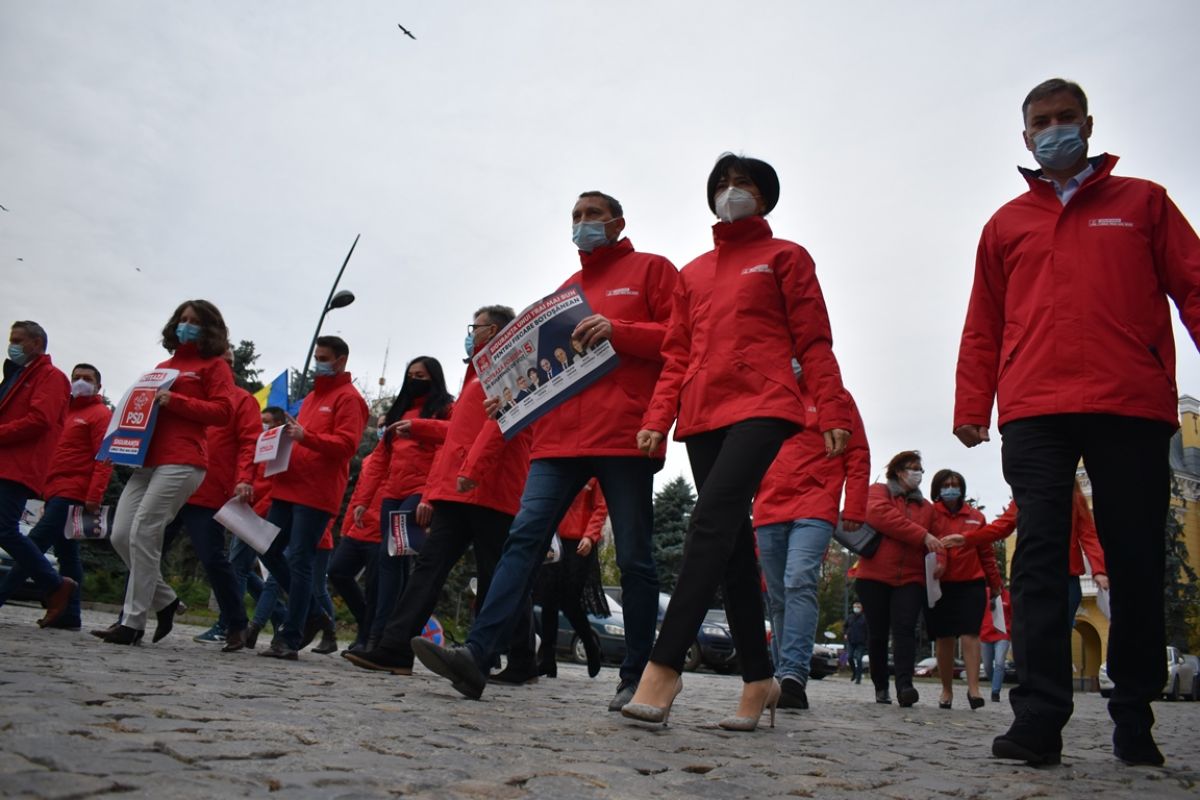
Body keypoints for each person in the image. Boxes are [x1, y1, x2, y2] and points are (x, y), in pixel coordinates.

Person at [952, 77, 1198, 766]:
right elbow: (984, 320)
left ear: (1087, 125)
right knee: (1037, 559)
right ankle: (1037, 718)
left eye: (1066, 117)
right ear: (1025, 134)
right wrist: (972, 404)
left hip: (1130, 402)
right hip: (1035, 407)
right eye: (1042, 121)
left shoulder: (1144, 203)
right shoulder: (1006, 224)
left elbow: (1194, 285)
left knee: (1135, 555)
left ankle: (1134, 715)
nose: (1054, 129)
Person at [411, 190, 677, 710]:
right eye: (576, 216)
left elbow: (680, 340)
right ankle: (477, 658)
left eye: (593, 215)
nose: (582, 223)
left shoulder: (652, 270)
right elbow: (543, 371)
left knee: (635, 557)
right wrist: (511, 400)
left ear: (618, 223)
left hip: (623, 435)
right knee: (522, 541)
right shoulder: (565, 292)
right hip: (556, 441)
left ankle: (635, 676)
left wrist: (619, 331)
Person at [625, 154, 852, 731]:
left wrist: (830, 407)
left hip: (766, 403)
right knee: (730, 546)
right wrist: (658, 415)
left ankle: (664, 665)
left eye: (742, 183)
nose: (731, 192)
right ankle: (759, 680)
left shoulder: (786, 257)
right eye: (722, 184)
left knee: (709, 521)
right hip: (703, 410)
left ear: (765, 196)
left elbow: (814, 339)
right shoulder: (693, 273)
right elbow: (677, 352)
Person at [344, 305, 535, 677]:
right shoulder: (476, 377)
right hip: (457, 489)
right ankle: (394, 649)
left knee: (497, 573)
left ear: (494, 331)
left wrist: (471, 470)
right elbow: (457, 436)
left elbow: (500, 427)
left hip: (491, 488)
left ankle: (518, 657)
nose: (471, 334)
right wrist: (422, 436)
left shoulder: (512, 371)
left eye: (476, 327)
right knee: (430, 567)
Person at [103, 301, 236, 645]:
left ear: (209, 328)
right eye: (182, 319)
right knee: (121, 535)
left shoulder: (215, 366)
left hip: (183, 459)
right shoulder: (162, 368)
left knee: (145, 531)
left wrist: (177, 402)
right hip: (146, 460)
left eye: (194, 321)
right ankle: (165, 600)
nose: (185, 325)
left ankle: (133, 623)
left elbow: (223, 412)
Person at [754, 377, 869, 710]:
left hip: (815, 504)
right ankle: (780, 676)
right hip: (769, 507)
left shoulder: (837, 398)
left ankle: (793, 676)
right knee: (777, 597)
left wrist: (855, 506)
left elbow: (857, 453)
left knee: (799, 580)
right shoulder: (768, 389)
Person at [257, 336, 368, 660]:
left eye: (323, 358)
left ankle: (290, 637)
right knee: (268, 548)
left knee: (300, 559)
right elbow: (301, 440)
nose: (318, 362)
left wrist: (306, 436)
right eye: (316, 357)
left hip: (317, 492)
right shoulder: (311, 398)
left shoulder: (350, 399)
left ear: (341, 361)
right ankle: (314, 613)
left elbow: (347, 446)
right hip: (288, 486)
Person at [160, 345, 259, 651]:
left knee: (212, 558)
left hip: (209, 489)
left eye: (227, 362)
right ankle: (132, 616)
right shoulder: (183, 392)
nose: (222, 367)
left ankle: (237, 624)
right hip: (169, 481)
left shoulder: (241, 401)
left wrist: (244, 478)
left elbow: (250, 442)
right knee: (145, 546)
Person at [0, 363, 111, 629]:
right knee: (67, 553)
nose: (80, 382)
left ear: (98, 386)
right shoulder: (65, 413)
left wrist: (94, 494)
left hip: (74, 492)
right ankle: (70, 615)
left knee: (34, 543)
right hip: (54, 491)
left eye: (87, 378)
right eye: (76, 377)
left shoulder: (100, 414)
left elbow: (104, 457)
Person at [353, 357, 454, 647]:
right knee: (391, 562)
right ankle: (383, 633)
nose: (414, 380)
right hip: (392, 493)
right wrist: (363, 500)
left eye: (420, 375)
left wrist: (429, 497)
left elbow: (445, 451)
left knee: (394, 559)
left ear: (433, 377)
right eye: (411, 375)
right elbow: (380, 459)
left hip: (419, 490)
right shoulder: (399, 411)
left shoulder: (445, 409)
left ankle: (383, 635)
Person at [944, 485, 1109, 632]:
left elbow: (1089, 535)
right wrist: (967, 539)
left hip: (1066, 580)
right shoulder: (1025, 494)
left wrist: (1099, 570)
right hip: (1033, 578)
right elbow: (1001, 527)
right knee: (1035, 636)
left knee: (1060, 637)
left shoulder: (1074, 497)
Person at [0, 321, 78, 628]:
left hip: (18, 466)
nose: (13, 345)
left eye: (18, 340)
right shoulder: (20, 375)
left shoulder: (50, 377)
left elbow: (40, 420)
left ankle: (54, 583)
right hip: (7, 462)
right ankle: (54, 584)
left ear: (37, 343)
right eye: (12, 339)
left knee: (5, 529)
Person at [850, 451, 943, 707]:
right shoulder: (879, 492)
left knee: (905, 630)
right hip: (874, 575)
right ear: (898, 471)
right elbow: (881, 516)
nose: (917, 474)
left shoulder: (927, 508)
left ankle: (905, 686)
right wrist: (921, 536)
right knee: (878, 633)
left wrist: (940, 561)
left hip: (911, 578)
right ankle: (881, 686)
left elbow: (938, 540)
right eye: (912, 468)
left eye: (920, 469)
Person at [928, 469, 1002, 710]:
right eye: (946, 484)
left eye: (955, 484)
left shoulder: (976, 517)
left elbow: (986, 552)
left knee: (971, 634)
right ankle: (946, 689)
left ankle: (974, 689)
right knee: (944, 636)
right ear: (937, 489)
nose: (951, 488)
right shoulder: (930, 514)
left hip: (972, 582)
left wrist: (995, 583)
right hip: (941, 583)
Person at [534, 479, 609, 679]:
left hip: (580, 544)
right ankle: (547, 660)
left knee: (569, 601)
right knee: (548, 600)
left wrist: (590, 536)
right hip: (554, 540)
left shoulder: (594, 475)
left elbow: (601, 507)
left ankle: (590, 644)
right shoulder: (561, 469)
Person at [327, 447, 384, 652]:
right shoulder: (370, 460)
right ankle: (363, 618)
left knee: (374, 588)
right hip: (358, 529)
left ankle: (366, 637)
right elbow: (358, 494)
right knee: (337, 572)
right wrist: (346, 527)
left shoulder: (404, 456)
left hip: (382, 531)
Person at [981, 586, 1012, 703]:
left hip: (1003, 635)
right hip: (985, 635)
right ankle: (995, 682)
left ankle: (995, 692)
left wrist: (1011, 632)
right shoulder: (985, 593)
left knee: (999, 663)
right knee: (987, 666)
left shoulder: (1008, 596)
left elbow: (1013, 616)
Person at [844, 600, 868, 685]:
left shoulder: (865, 618)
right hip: (851, 641)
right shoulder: (850, 617)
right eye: (855, 607)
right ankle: (854, 672)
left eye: (858, 607)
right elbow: (845, 626)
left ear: (861, 608)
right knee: (849, 657)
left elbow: (868, 630)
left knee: (858, 658)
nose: (856, 608)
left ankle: (858, 678)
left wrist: (866, 641)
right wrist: (845, 634)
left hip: (861, 642)